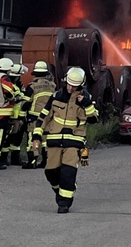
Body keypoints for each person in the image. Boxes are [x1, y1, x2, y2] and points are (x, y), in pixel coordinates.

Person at [32, 66, 98, 214]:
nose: (70, 88)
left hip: (74, 142)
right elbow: (43, 117)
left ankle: (64, 203)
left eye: (74, 86)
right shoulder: (56, 96)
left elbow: (94, 119)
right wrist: (36, 136)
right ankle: (62, 190)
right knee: (50, 172)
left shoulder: (87, 98)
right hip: (54, 140)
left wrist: (86, 104)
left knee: (68, 172)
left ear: (81, 85)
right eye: (69, 84)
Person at [23, 61, 57, 169]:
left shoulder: (32, 86)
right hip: (48, 117)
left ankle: (32, 162)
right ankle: (45, 162)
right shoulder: (52, 85)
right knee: (46, 140)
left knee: (33, 139)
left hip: (34, 117)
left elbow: (26, 103)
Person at [6, 63, 30, 165]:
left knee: (17, 138)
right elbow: (19, 98)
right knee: (10, 138)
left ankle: (15, 158)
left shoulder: (16, 85)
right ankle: (5, 158)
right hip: (14, 116)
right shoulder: (13, 86)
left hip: (18, 115)